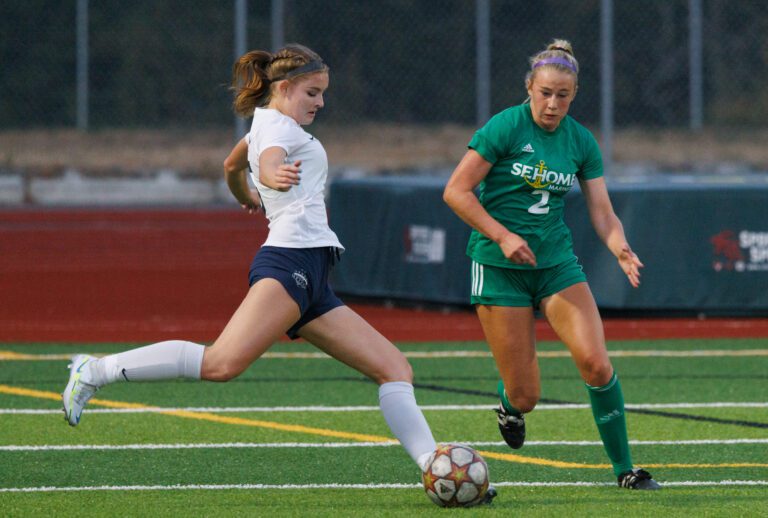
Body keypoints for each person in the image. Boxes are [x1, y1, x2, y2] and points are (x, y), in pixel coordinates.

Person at [61, 44, 449, 487]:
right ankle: (94, 370)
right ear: (284, 88)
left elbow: (231, 165)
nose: (321, 102)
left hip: (313, 273)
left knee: (395, 369)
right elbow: (266, 162)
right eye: (312, 93)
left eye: (322, 94)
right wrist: (268, 178)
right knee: (222, 364)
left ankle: (434, 470)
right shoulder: (279, 131)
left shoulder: (265, 123)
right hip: (291, 263)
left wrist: (246, 193)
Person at [443, 39, 660, 490]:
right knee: (527, 394)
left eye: (562, 95)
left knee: (597, 365)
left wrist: (619, 246)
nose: (552, 103)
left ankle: (625, 470)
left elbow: (601, 210)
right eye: (545, 93)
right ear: (529, 88)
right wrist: (502, 236)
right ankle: (509, 404)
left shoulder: (580, 140)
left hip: (556, 264)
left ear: (574, 95)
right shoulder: (505, 126)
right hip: (499, 266)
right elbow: (456, 191)